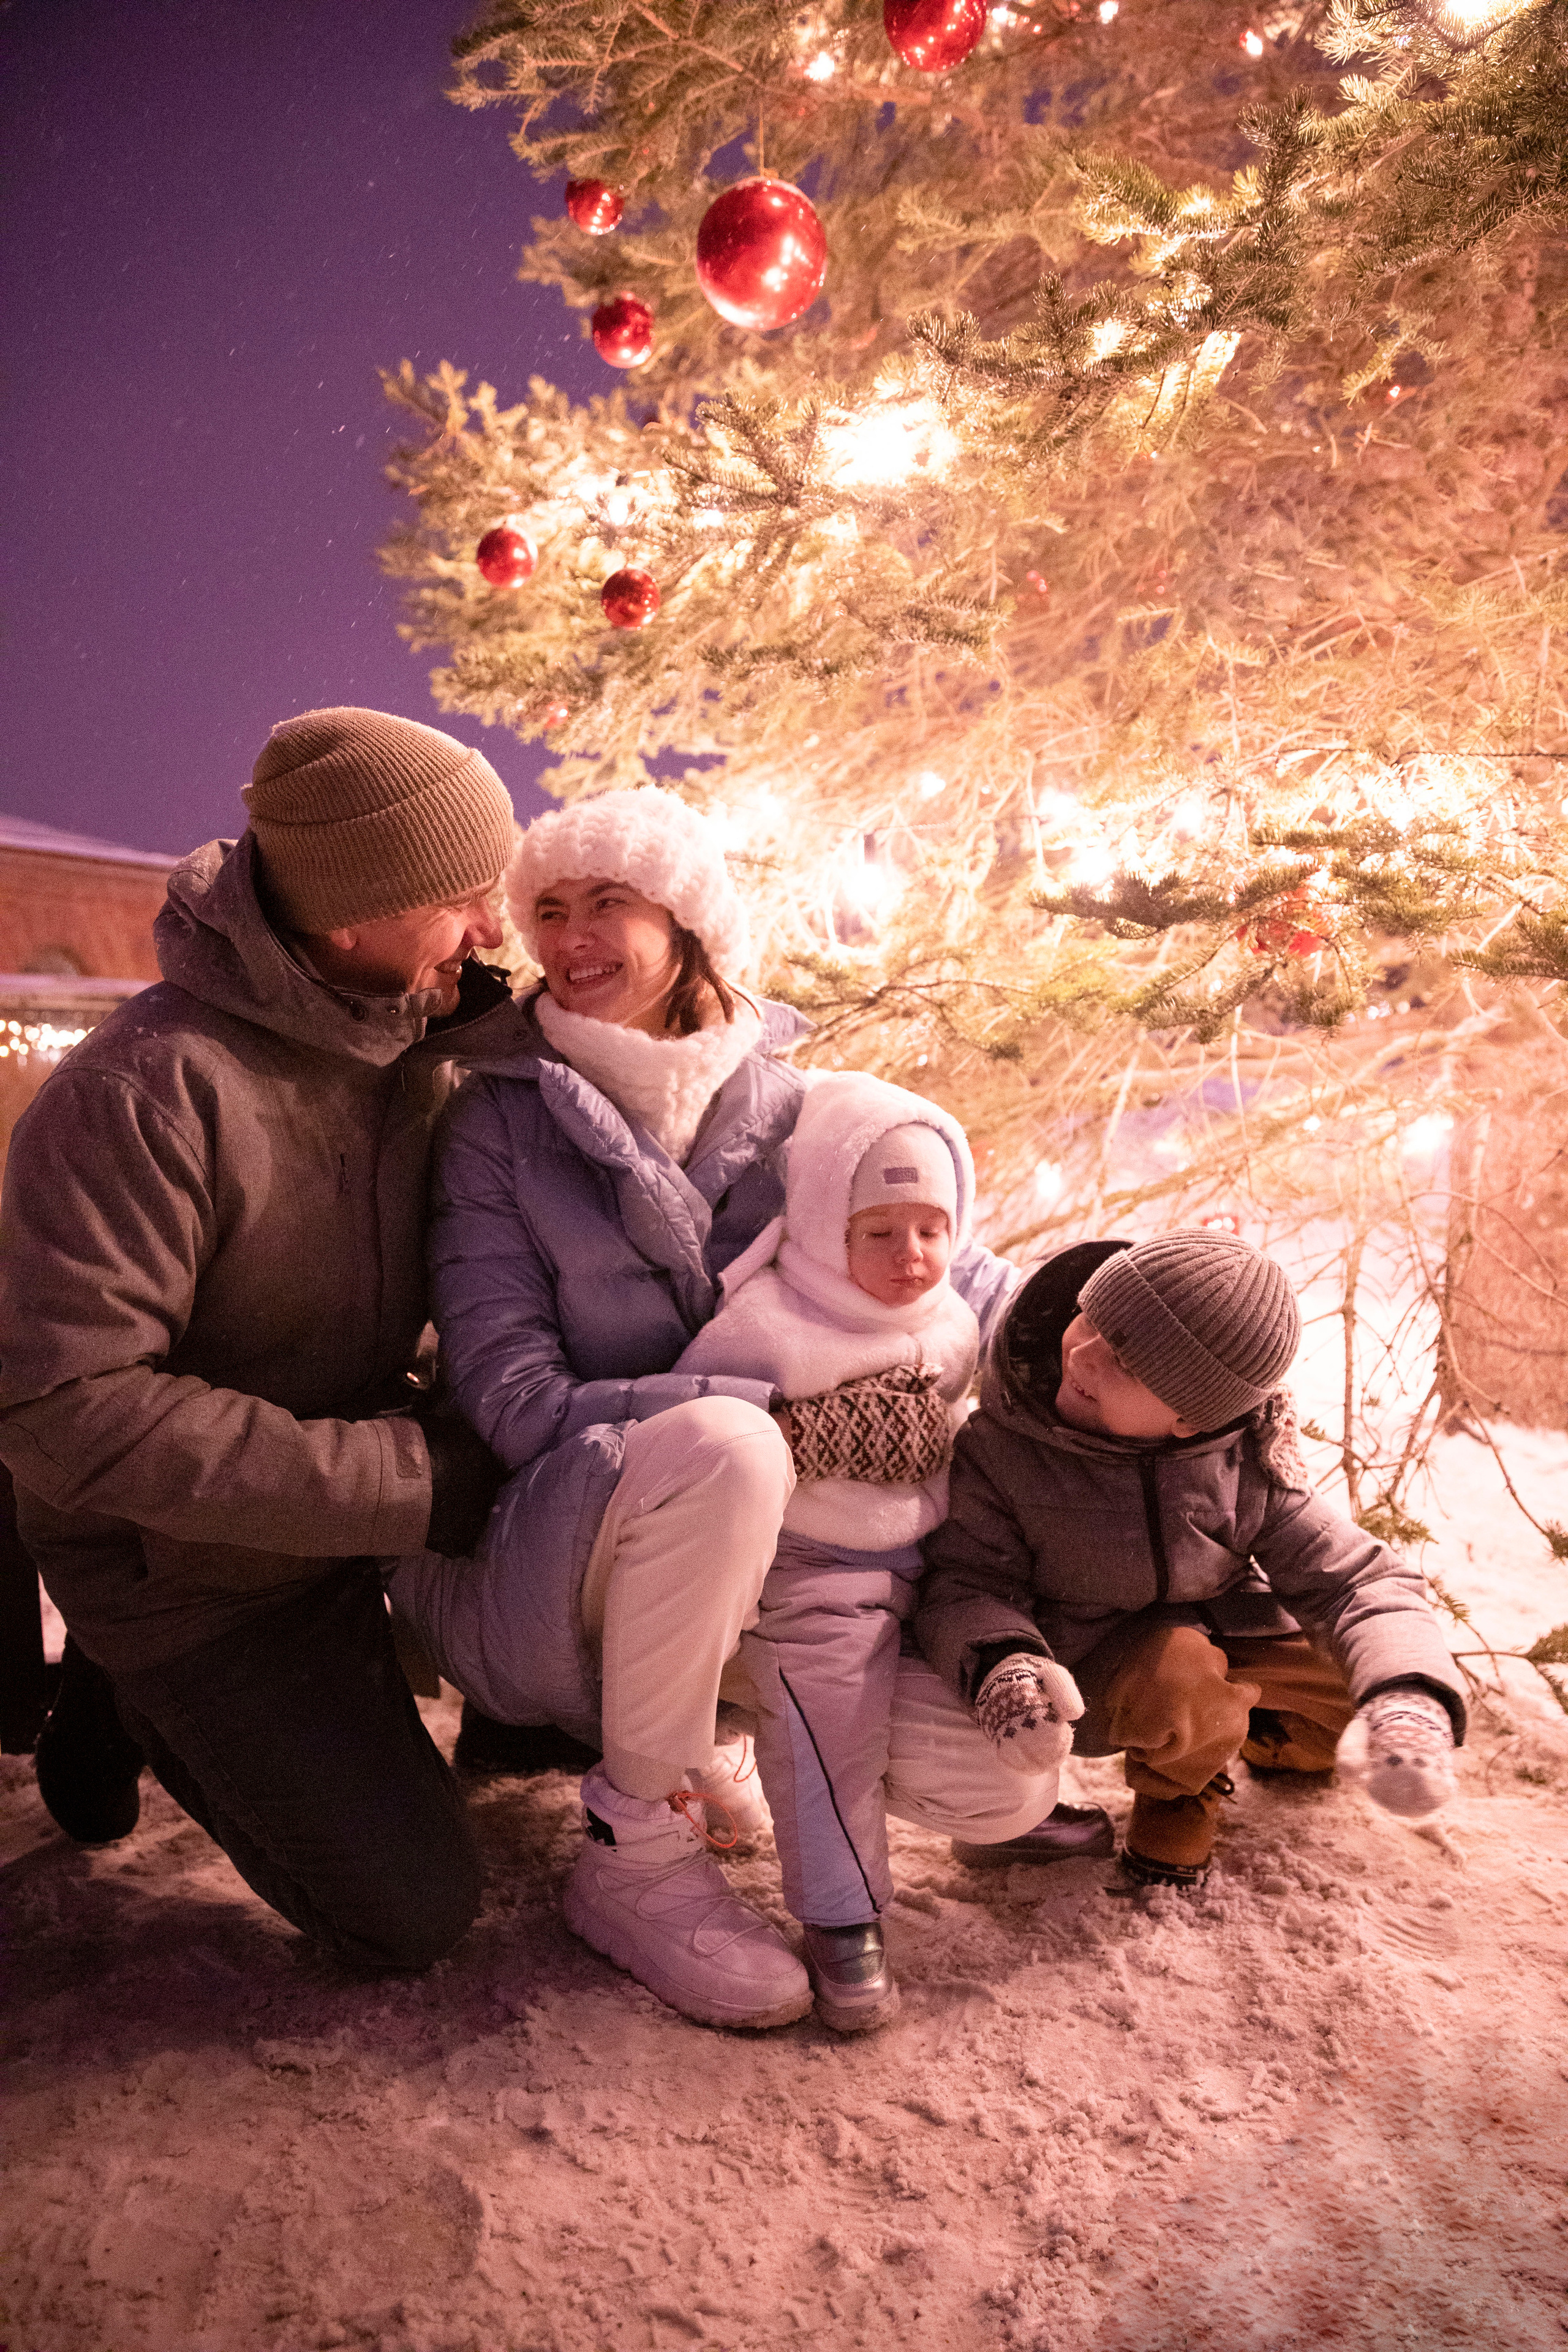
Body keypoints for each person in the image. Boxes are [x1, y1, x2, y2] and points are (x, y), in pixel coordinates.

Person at [388, 786, 1107, 2034]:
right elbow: (512, 1400)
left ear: (687, 921)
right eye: (547, 910)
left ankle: (716, 1739)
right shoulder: (495, 1122)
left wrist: (1114, 1329)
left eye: (607, 903)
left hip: (776, 1582)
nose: (570, 939)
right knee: (728, 1450)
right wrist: (775, 1418)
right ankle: (632, 1852)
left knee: (995, 1779)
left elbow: (962, 1277)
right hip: (555, 1561)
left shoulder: (796, 1108)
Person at [0, 707, 522, 1968]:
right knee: (409, 1916)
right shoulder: (142, 1096)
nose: (494, 930)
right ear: (347, 919)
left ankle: (168, 1697)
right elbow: (68, 1411)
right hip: (185, 1569)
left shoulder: (423, 1031)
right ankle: (132, 1680)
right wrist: (410, 1482)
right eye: (461, 900)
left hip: (337, 1505)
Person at [673, 1068, 1069, 2032]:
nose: (911, 1255)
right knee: (833, 1719)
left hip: (928, 1557)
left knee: (1010, 1637)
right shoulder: (768, 1318)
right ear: (824, 1225)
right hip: (814, 1570)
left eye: (932, 1229)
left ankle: (1025, 1797)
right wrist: (801, 1433)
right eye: (880, 1232)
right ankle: (841, 1916)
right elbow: (689, 1433)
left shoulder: (954, 1319)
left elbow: (1032, 1349)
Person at [916, 1230, 1467, 1887]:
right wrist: (1006, 1665)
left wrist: (1406, 1696)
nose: (1083, 1356)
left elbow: (1356, 1580)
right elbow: (968, 1584)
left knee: (1356, 1677)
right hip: (1096, 1664)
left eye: (1125, 1362)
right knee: (1184, 1678)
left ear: (1191, 1418)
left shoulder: (1242, 1459)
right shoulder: (1004, 1451)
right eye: (1089, 1320)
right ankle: (1179, 1792)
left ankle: (1263, 1736)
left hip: (1224, 1625)